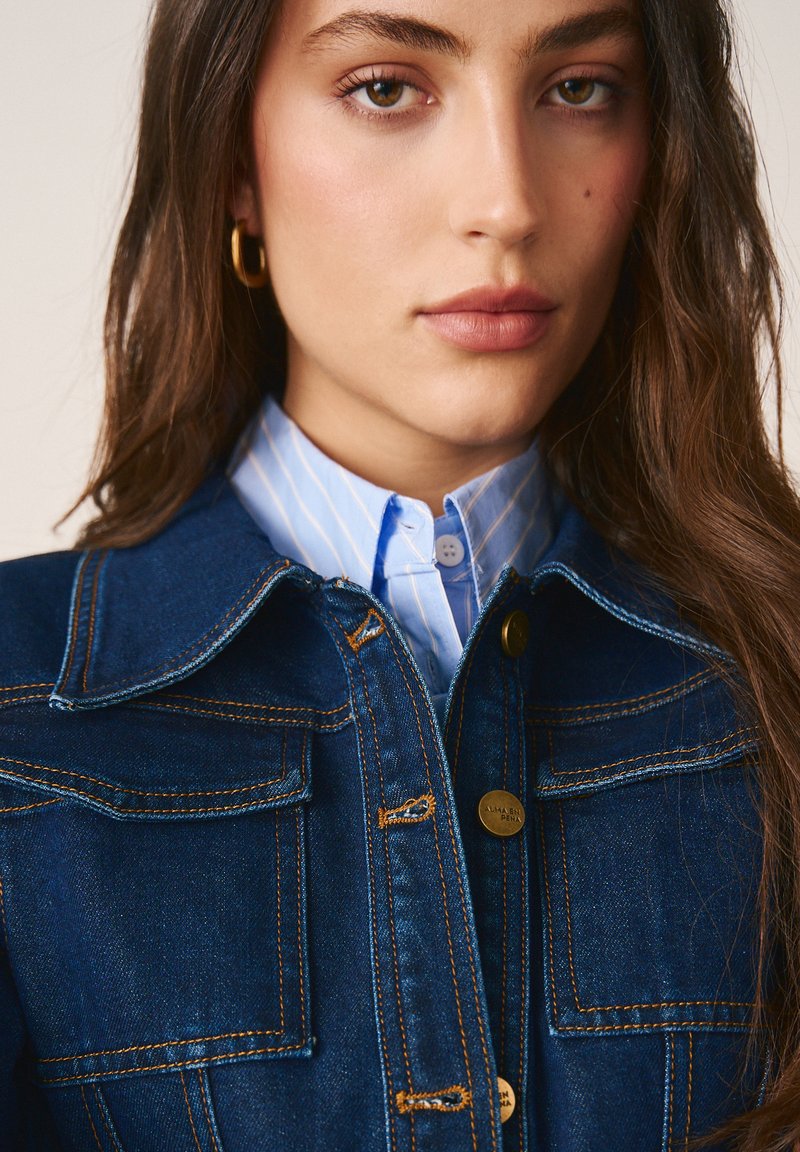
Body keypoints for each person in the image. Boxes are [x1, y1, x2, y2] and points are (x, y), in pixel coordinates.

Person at [1, 0, 799, 1147]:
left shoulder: (772, 671)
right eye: (385, 89)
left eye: (577, 88)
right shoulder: (19, 702)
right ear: (233, 162)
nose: (505, 204)